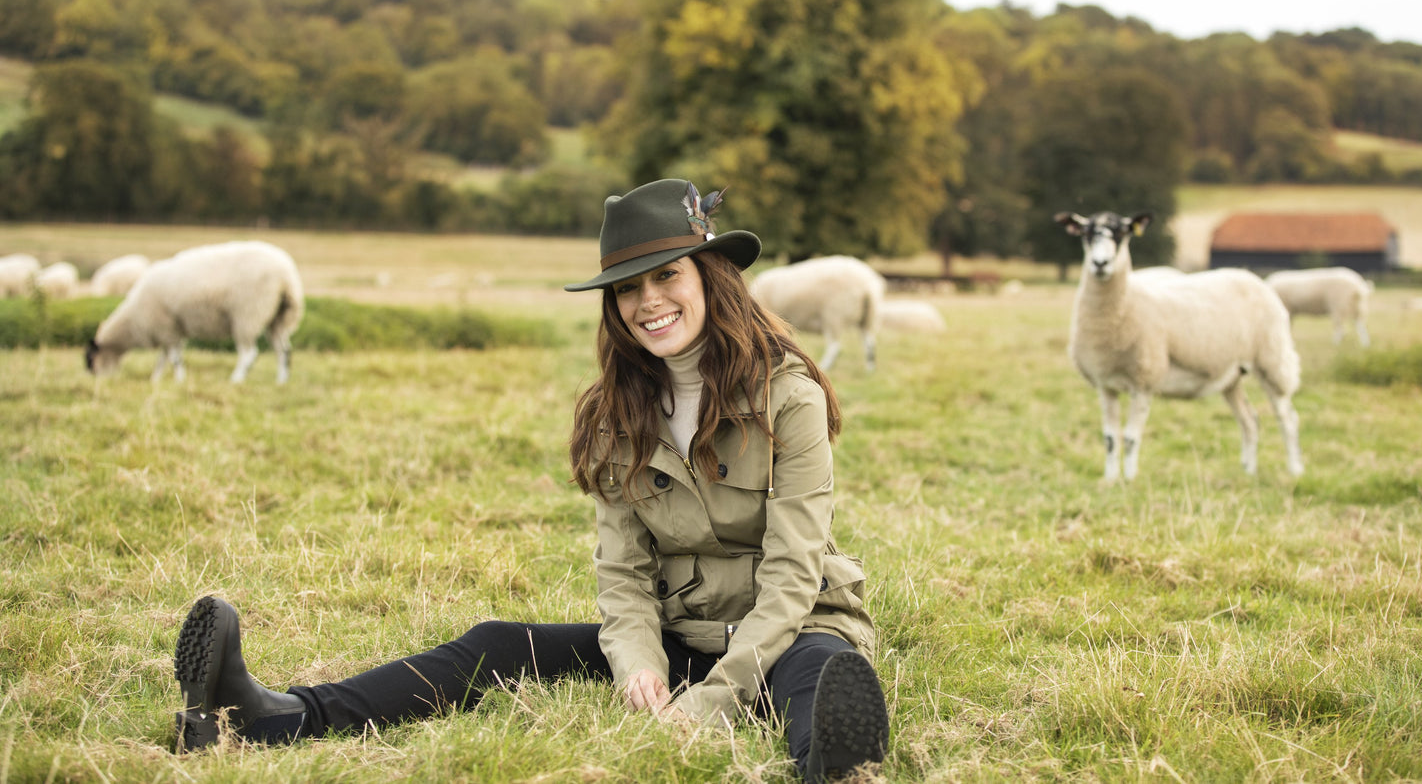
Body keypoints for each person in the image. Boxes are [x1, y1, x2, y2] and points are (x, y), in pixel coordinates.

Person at [172, 178, 890, 782]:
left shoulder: (786, 396)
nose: (648, 301)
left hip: (795, 628)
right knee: (498, 641)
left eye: (667, 275)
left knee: (817, 677)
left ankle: (833, 760)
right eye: (627, 287)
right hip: (681, 633)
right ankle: (273, 716)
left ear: (709, 276)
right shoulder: (616, 415)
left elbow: (795, 571)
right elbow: (623, 570)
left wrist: (713, 700)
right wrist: (639, 661)